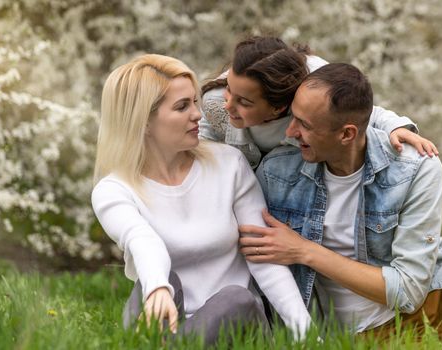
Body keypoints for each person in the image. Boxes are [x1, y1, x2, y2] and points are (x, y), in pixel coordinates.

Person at [91, 54, 312, 345]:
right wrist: (157, 288)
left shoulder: (229, 164)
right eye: (182, 106)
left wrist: (307, 336)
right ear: (143, 121)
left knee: (236, 299)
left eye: (194, 102)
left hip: (237, 328)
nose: (198, 114)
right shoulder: (114, 189)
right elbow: (141, 238)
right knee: (162, 278)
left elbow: (264, 256)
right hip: (166, 324)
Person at [239, 63, 442, 336]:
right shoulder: (277, 172)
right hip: (334, 333)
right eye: (293, 117)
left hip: (420, 317)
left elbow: (408, 290)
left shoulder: (415, 169)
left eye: (304, 124)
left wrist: (305, 251)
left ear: (347, 134)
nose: (290, 132)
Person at [199, 36, 438, 169]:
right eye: (230, 89)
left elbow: (357, 112)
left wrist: (396, 127)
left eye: (244, 102)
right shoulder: (216, 101)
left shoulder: (312, 92)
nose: (228, 105)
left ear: (278, 108)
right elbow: (203, 138)